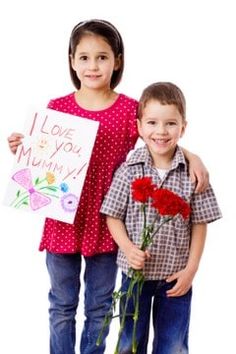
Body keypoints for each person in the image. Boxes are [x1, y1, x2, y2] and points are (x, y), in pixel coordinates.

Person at [7, 20, 209, 354]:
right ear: (72, 61)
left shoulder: (130, 109)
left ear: (117, 60)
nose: (93, 65)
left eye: (102, 57)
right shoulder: (57, 108)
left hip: (108, 223)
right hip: (62, 221)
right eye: (84, 57)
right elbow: (43, 157)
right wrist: (23, 148)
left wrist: (194, 156)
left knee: (100, 308)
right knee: (61, 305)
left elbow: (158, 137)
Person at [101, 82, 222, 354]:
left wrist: (191, 269)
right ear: (140, 127)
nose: (161, 131)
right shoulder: (129, 169)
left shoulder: (193, 173)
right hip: (135, 277)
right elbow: (112, 215)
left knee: (173, 344)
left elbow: (199, 224)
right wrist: (128, 248)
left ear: (183, 127)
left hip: (176, 276)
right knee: (129, 343)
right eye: (153, 122)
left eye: (170, 123)